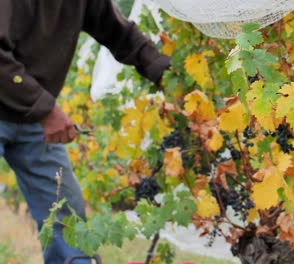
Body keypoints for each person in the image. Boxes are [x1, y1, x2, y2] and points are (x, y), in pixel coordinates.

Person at [0, 0, 171, 263]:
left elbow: (119, 33)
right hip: (29, 107)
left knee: (67, 216)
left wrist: (164, 72)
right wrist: (46, 110)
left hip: (30, 117)